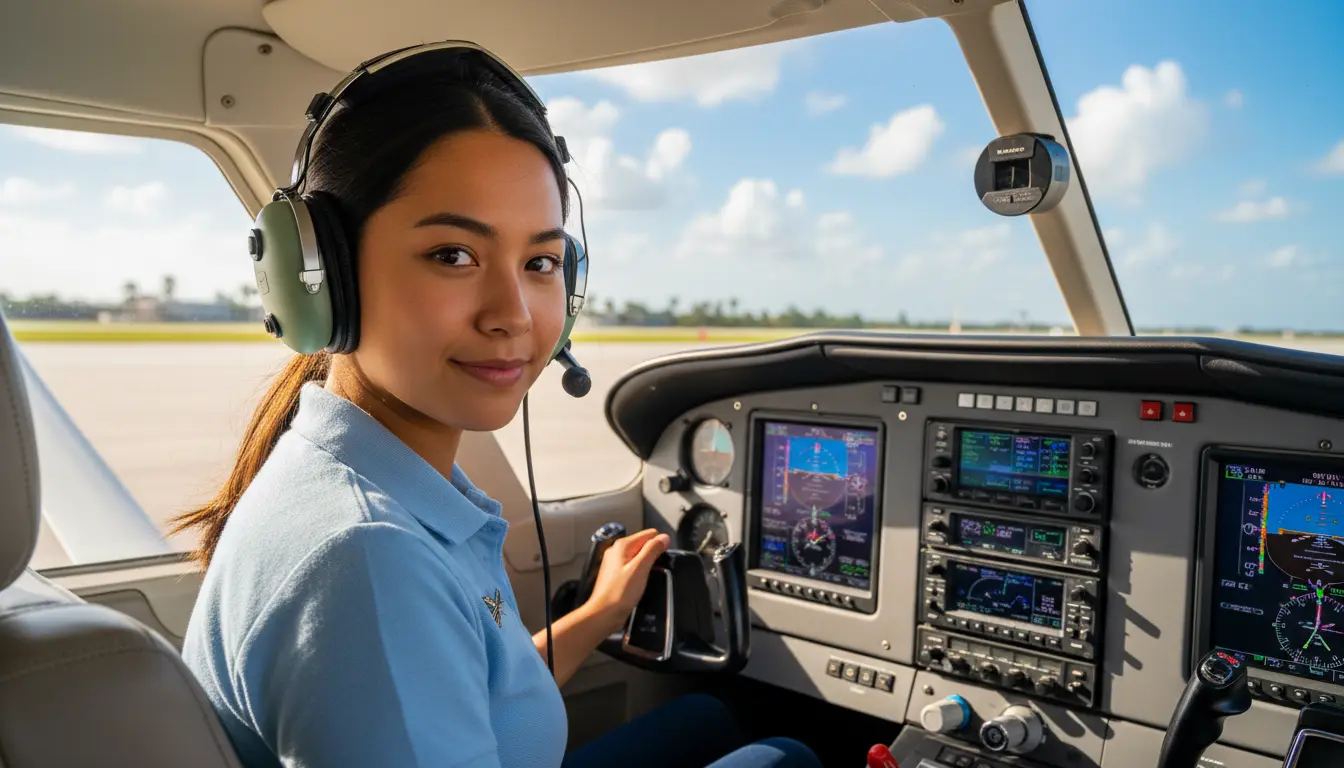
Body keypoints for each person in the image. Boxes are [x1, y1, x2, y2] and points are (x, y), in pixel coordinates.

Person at [175, 42, 822, 768]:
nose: (513, 314)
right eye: (454, 254)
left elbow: (466, 693)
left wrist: (600, 615)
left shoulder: (362, 474)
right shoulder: (369, 560)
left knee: (706, 715)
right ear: (322, 281)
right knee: (787, 757)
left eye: (540, 262)